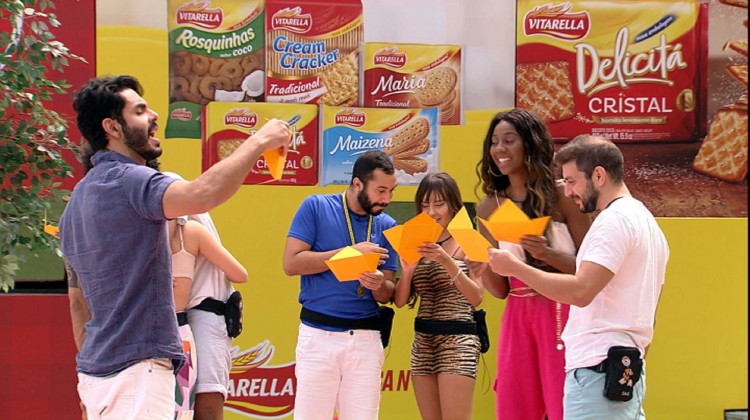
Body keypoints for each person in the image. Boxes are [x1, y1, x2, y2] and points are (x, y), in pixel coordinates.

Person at [61, 75, 291, 420]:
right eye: (140, 111)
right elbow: (202, 194)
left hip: (96, 373)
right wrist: (261, 140)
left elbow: (77, 303)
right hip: (138, 370)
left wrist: (89, 371)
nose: (154, 115)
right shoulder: (132, 180)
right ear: (113, 127)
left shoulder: (76, 202)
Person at [487, 135, 669, 419]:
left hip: (598, 370)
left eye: (572, 181)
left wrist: (515, 268)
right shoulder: (646, 222)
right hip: (623, 368)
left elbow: (581, 291)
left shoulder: (613, 221)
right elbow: (652, 312)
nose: (568, 191)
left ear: (599, 175)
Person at [474, 108, 591, 420]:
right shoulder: (489, 207)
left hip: (562, 310)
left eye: (509, 140)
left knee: (563, 404)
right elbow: (500, 290)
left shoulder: (564, 194)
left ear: (530, 143)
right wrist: (481, 265)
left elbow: (590, 269)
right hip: (517, 315)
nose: (499, 149)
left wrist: (547, 254)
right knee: (515, 405)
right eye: (494, 142)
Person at [282, 150, 398, 420]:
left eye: (391, 191)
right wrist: (348, 254)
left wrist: (377, 283)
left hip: (366, 339)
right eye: (381, 190)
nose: (387, 199)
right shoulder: (316, 206)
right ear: (357, 183)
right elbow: (291, 263)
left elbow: (387, 293)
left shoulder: (388, 225)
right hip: (318, 335)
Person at [393, 172, 485, 420]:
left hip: (458, 339)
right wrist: (407, 271)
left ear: (453, 205)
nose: (432, 212)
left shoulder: (469, 237)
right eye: (425, 205)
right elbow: (400, 301)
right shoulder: (415, 238)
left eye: (439, 204)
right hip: (423, 340)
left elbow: (477, 297)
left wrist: (446, 260)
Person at [164, 172, 244, 420]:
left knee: (204, 400)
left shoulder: (189, 226)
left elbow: (239, 274)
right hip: (175, 320)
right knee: (175, 405)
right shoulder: (176, 224)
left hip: (205, 313)